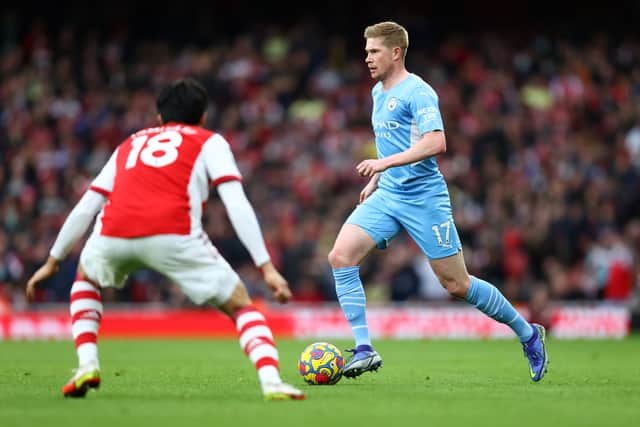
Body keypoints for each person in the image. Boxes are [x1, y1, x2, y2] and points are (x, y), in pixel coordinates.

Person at [25, 78, 305, 400]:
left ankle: (87, 364)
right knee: (242, 306)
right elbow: (235, 201)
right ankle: (271, 382)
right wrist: (266, 266)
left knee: (86, 279)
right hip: (174, 233)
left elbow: (88, 204)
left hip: (113, 232)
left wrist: (53, 261)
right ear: (203, 117)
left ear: (159, 118)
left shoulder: (130, 143)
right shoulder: (208, 140)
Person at [327, 22, 549, 381]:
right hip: (389, 195)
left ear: (395, 52)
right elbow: (396, 141)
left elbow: (435, 142)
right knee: (340, 256)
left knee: (457, 285)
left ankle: (528, 334)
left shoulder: (419, 92)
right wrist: (381, 179)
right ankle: (365, 348)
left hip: (424, 198)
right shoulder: (377, 93)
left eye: (374, 51)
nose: (367, 58)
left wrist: (381, 164)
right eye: (366, 51)